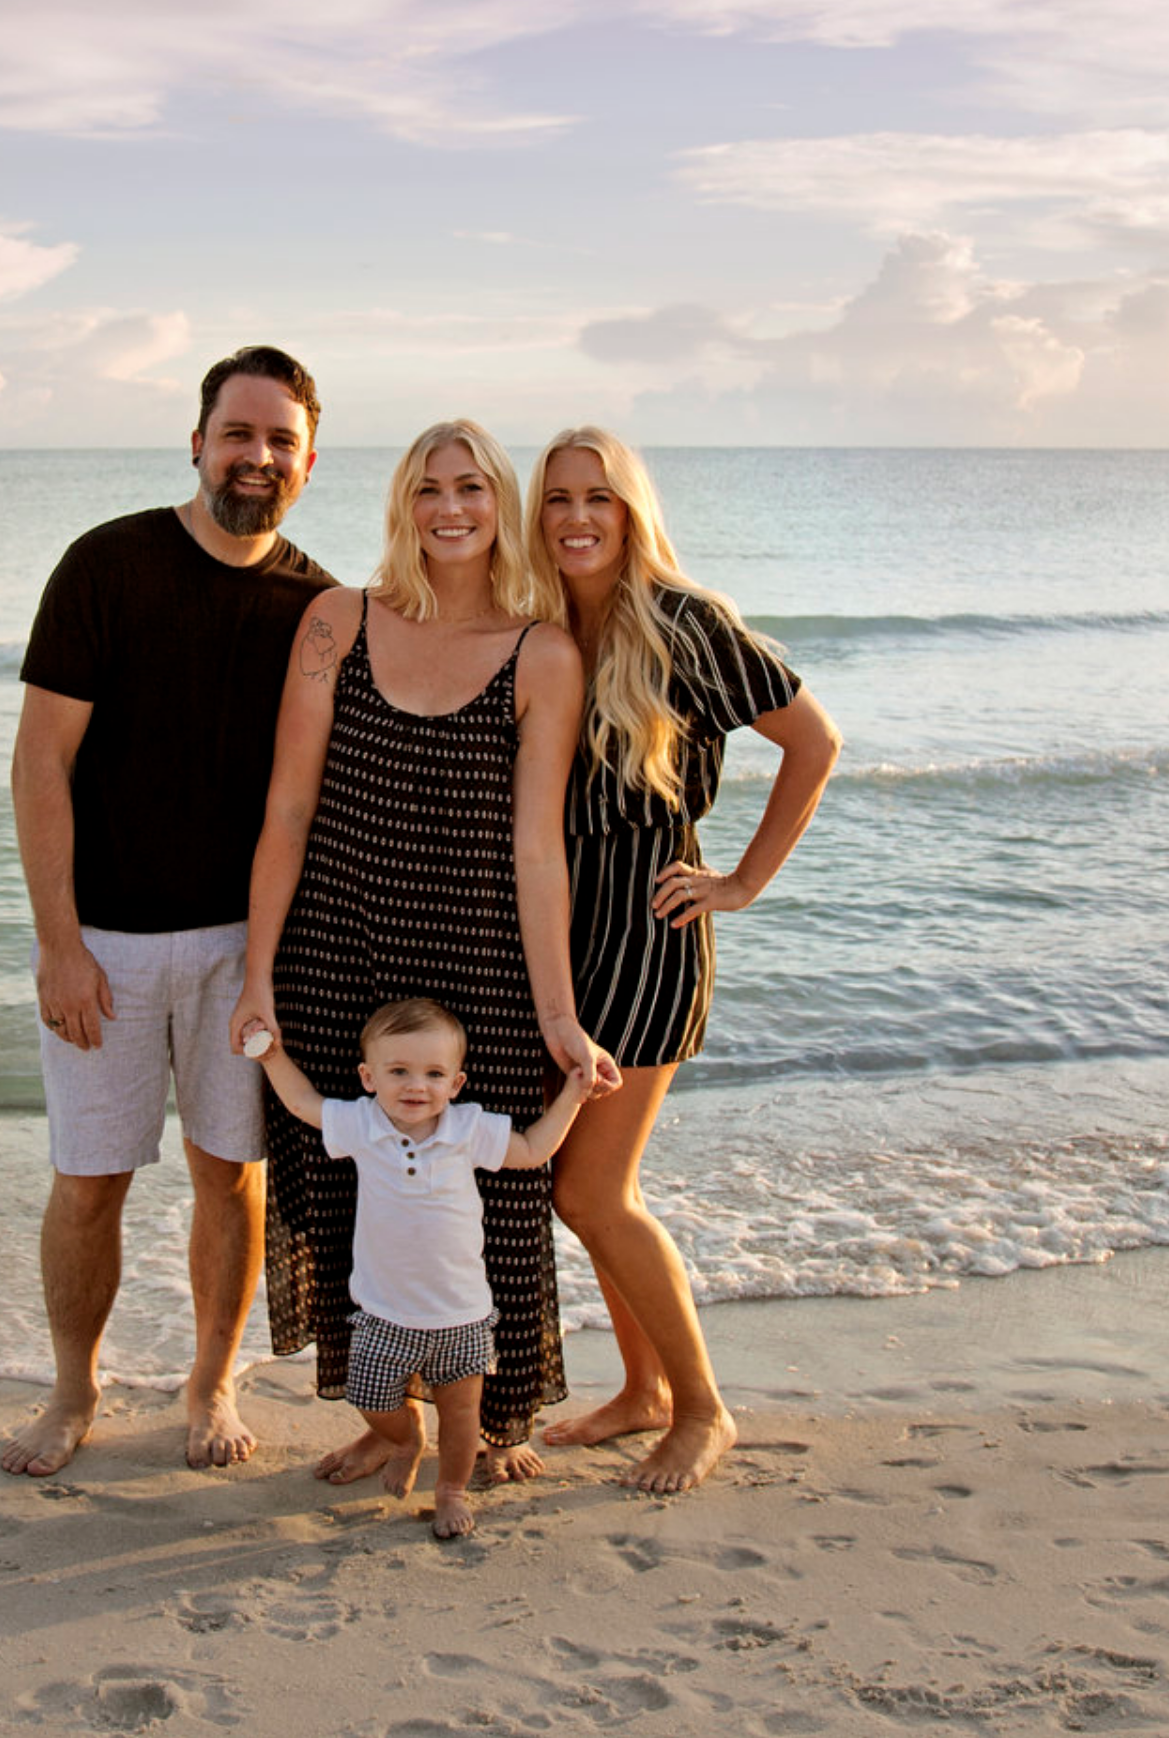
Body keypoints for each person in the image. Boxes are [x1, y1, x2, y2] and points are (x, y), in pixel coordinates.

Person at [231, 418, 614, 1489]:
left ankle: (485, 1423)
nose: (450, 508)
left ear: (501, 506)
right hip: (335, 950)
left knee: (488, 1198)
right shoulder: (335, 621)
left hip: (478, 961)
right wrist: (256, 971)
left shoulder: (542, 650)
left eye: (473, 488)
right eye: (428, 488)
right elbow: (288, 805)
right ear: (402, 503)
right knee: (350, 1189)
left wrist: (556, 1014)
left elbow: (538, 850)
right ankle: (390, 1420)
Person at [2, 345, 337, 1478]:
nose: (255, 456)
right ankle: (72, 1390)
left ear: (307, 460)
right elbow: (39, 763)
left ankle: (209, 1384)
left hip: (244, 952)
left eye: (279, 440)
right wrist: (57, 944)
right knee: (88, 1178)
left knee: (226, 1175)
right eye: (237, 433)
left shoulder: (318, 607)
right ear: (195, 441)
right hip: (103, 941)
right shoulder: (105, 565)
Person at [527, 425, 841, 1493]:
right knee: (580, 1187)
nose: (576, 517)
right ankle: (638, 1392)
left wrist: (743, 882)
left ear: (629, 511)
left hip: (648, 927)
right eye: (558, 498)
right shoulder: (538, 618)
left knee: (591, 1190)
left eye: (597, 499)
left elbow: (813, 741)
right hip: (558, 938)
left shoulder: (682, 622)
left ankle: (701, 1410)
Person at [244, 998, 586, 1537]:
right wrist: (269, 1058)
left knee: (462, 1418)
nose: (415, 1085)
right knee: (370, 1397)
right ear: (368, 1076)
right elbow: (304, 1103)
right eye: (398, 1071)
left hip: (464, 1317)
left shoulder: (467, 1128)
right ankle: (404, 1438)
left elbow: (533, 1149)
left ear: (456, 1083)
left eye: (433, 1074)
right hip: (383, 1315)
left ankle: (450, 1489)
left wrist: (575, 1091)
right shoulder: (362, 1123)